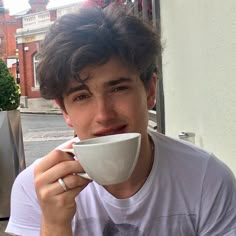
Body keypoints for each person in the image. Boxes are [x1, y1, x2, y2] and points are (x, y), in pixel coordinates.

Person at [6, 3, 236, 236]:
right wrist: (54, 226)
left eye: (118, 89)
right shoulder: (37, 189)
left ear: (150, 92)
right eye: (82, 96)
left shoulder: (207, 178)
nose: (104, 114)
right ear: (65, 111)